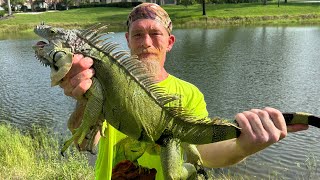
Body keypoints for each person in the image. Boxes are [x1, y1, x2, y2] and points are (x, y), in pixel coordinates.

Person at [60, 3, 309, 179]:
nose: (146, 42)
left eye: (155, 33)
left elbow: (202, 153)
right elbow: (85, 145)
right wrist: (83, 98)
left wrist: (243, 147)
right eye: (137, 35)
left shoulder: (188, 94)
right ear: (127, 40)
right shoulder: (102, 82)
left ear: (169, 42)